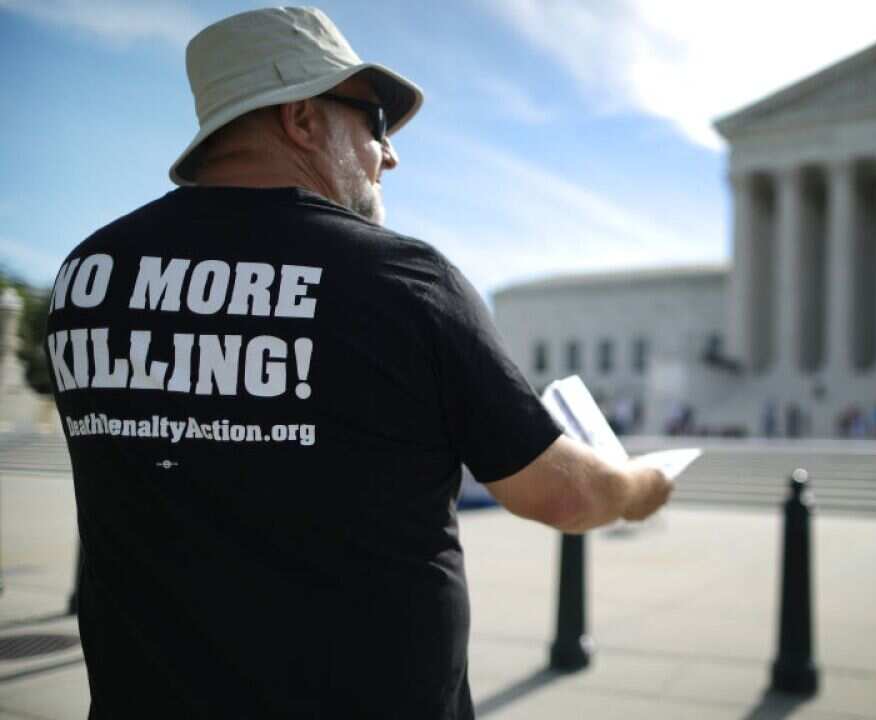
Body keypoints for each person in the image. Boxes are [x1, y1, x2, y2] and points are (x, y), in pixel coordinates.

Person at [44, 8, 672, 719]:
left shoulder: (87, 276)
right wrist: (641, 484)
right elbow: (561, 493)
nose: (390, 154)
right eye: (374, 121)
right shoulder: (402, 282)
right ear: (303, 120)